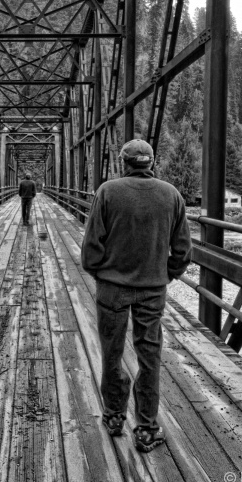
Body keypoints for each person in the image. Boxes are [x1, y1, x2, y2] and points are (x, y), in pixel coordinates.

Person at [81, 139, 191, 452]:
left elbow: (91, 246)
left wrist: (100, 271)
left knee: (112, 351)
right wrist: (164, 275)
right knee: (150, 354)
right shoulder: (171, 194)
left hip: (112, 287)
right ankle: (146, 428)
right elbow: (183, 250)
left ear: (124, 162)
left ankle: (115, 416)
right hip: (152, 289)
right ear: (150, 162)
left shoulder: (108, 192)